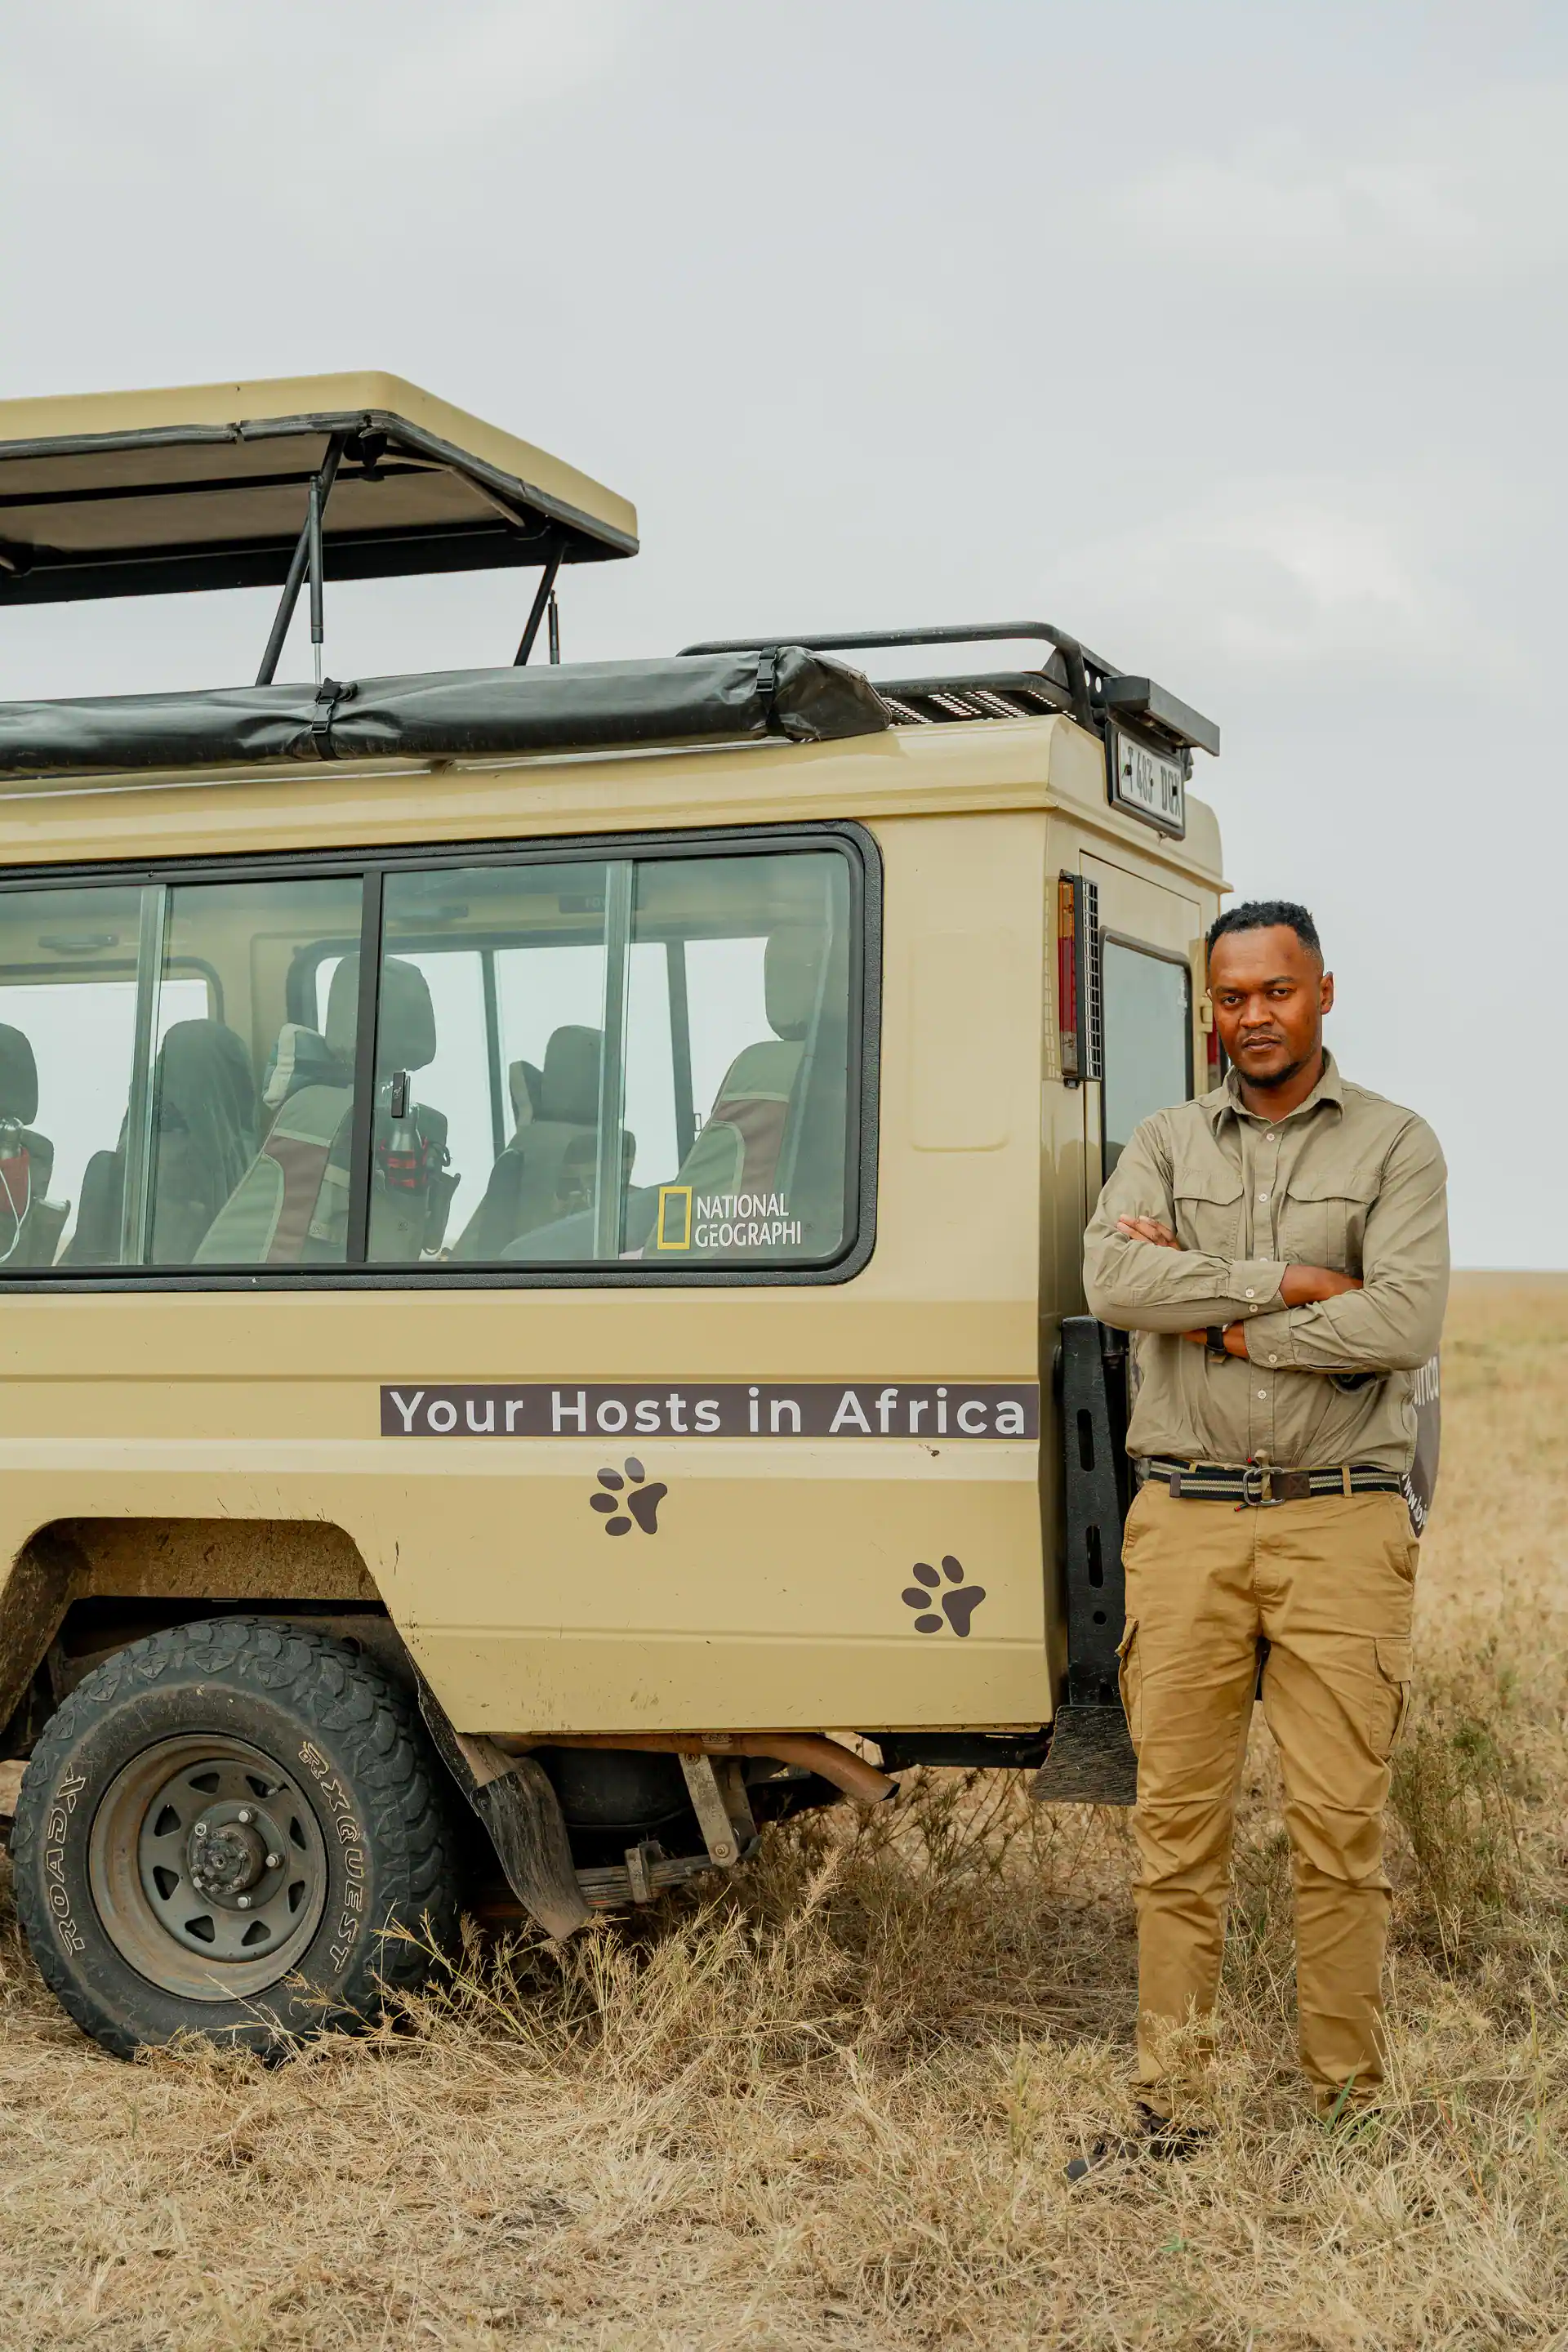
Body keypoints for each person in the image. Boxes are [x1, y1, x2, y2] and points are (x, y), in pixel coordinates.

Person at [1074, 899, 1447, 2160]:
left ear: (1323, 995)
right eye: (1230, 998)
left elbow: (1398, 1324)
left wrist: (1216, 1321)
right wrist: (1281, 1286)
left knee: (1340, 1833)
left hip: (1339, 1528)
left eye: (1275, 993)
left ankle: (1344, 2107)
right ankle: (1170, 2107)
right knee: (1176, 1831)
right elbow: (1113, 1281)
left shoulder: (1398, 1145)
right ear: (1209, 1009)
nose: (1252, 1018)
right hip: (1183, 1523)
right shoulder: (1165, 1141)